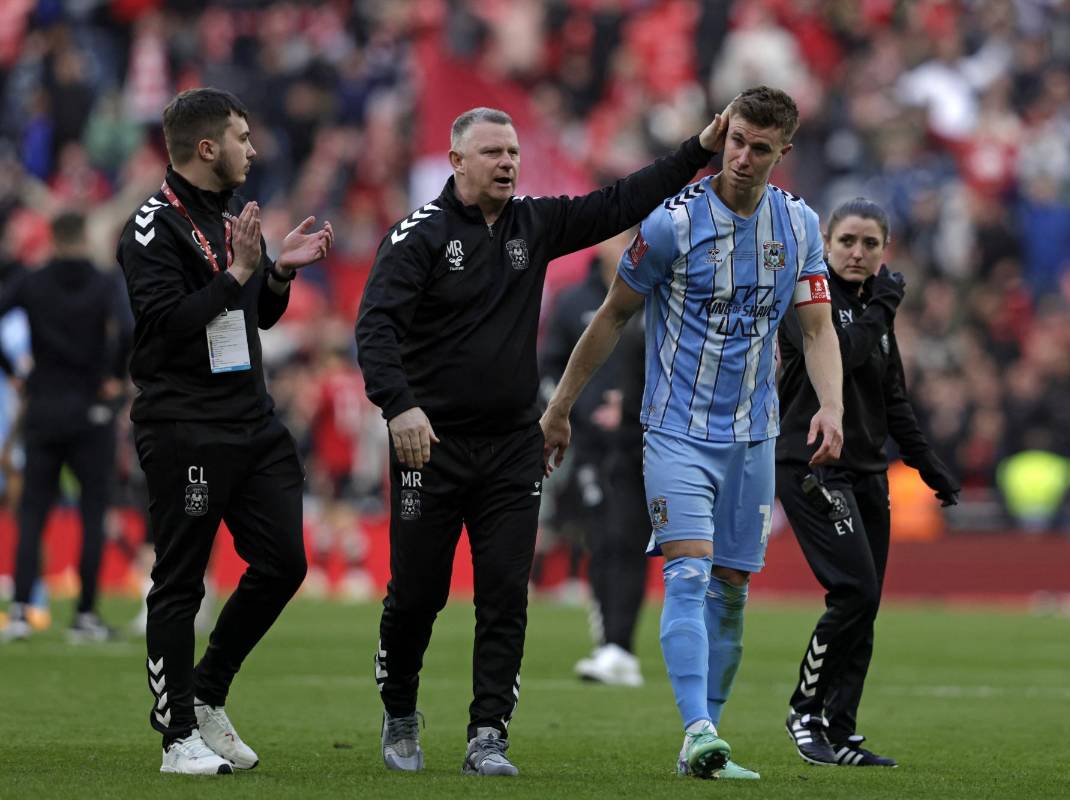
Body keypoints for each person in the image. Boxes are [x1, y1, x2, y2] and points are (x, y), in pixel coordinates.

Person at [356, 105, 729, 777]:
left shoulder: (534, 222)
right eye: (492, 152)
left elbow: (621, 200)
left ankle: (488, 733)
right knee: (417, 594)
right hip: (428, 448)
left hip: (510, 447)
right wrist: (399, 405)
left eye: (513, 152)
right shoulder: (417, 237)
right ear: (456, 162)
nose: (506, 162)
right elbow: (375, 328)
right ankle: (402, 709)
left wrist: (699, 149)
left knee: (505, 592)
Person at [541, 85, 845, 780]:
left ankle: (701, 740)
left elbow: (818, 327)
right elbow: (612, 315)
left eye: (760, 148)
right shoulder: (672, 224)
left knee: (731, 590)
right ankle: (700, 729)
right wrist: (559, 407)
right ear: (722, 133)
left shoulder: (798, 226)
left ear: (782, 153)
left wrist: (831, 405)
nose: (742, 157)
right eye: (736, 140)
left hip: (754, 436)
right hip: (675, 431)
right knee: (688, 574)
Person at [117, 87, 333, 776]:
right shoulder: (152, 228)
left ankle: (208, 691)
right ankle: (177, 734)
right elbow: (162, 330)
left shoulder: (233, 220)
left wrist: (274, 275)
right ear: (207, 147)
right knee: (181, 581)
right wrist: (240, 272)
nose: (254, 149)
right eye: (243, 136)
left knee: (285, 563)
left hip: (252, 421)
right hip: (186, 426)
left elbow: (254, 319)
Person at [776, 198, 959, 768]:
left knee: (867, 602)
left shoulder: (875, 308)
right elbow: (842, 355)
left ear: (885, 249)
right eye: (848, 241)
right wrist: (881, 308)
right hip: (811, 465)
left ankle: (840, 728)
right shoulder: (808, 298)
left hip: (867, 471)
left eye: (870, 244)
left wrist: (931, 467)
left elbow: (892, 398)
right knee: (853, 589)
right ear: (826, 243)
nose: (858, 253)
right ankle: (804, 712)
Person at [0, 211, 131, 643]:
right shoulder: (103, 281)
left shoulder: (33, 280)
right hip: (90, 410)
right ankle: (85, 615)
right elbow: (128, 330)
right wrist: (113, 375)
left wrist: (15, 371)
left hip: (43, 407)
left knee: (33, 511)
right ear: (84, 236)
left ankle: (21, 609)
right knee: (93, 513)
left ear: (53, 238)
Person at [539, 232, 644, 685]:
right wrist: (575, 411)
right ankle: (613, 640)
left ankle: (618, 642)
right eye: (622, 237)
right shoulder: (571, 303)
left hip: (641, 436)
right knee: (602, 534)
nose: (628, 245)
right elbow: (550, 367)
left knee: (629, 538)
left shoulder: (655, 295)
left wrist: (633, 404)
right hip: (589, 441)